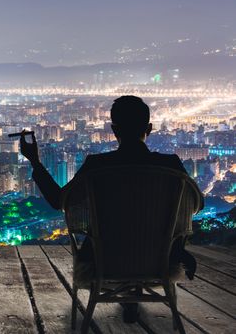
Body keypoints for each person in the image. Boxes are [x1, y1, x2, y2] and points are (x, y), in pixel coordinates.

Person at [19, 95, 204, 323]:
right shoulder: (171, 165)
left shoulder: (97, 166)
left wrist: (35, 161)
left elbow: (59, 201)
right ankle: (132, 300)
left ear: (113, 129)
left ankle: (127, 299)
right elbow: (197, 205)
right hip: (161, 260)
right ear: (149, 128)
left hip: (103, 259)